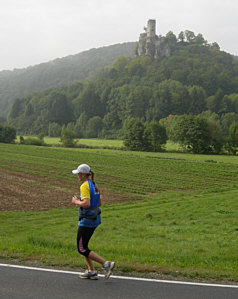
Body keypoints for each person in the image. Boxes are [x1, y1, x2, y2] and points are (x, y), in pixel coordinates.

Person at [72, 163, 115, 280]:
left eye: (78, 174)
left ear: (82, 174)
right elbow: (99, 203)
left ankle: (106, 264)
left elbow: (86, 203)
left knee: (81, 248)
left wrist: (76, 202)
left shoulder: (84, 186)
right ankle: (91, 271)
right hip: (95, 219)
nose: (77, 176)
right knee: (85, 246)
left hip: (87, 220)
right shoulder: (94, 185)